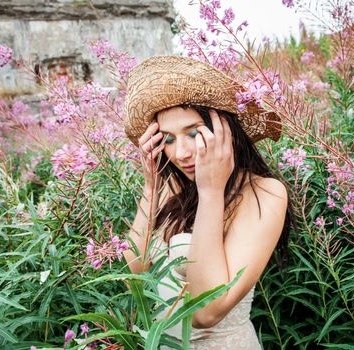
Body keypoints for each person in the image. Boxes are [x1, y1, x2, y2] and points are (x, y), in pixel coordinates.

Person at [122, 56, 290, 349]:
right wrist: (151, 186)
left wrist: (211, 193)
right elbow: (134, 279)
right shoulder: (171, 188)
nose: (182, 153)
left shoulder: (265, 193)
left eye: (193, 132)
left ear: (226, 129)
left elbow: (204, 311)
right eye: (169, 139)